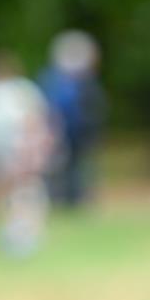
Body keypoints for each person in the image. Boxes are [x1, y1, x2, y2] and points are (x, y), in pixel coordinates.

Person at [0, 52, 54, 256]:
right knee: (9, 192)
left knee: (27, 189)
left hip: (22, 152)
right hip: (2, 153)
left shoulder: (22, 90)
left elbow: (37, 120)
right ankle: (14, 229)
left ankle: (29, 230)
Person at [38, 30, 105, 206]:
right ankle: (66, 199)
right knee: (65, 168)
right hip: (67, 133)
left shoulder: (57, 80)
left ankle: (70, 199)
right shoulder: (67, 82)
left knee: (72, 167)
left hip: (74, 133)